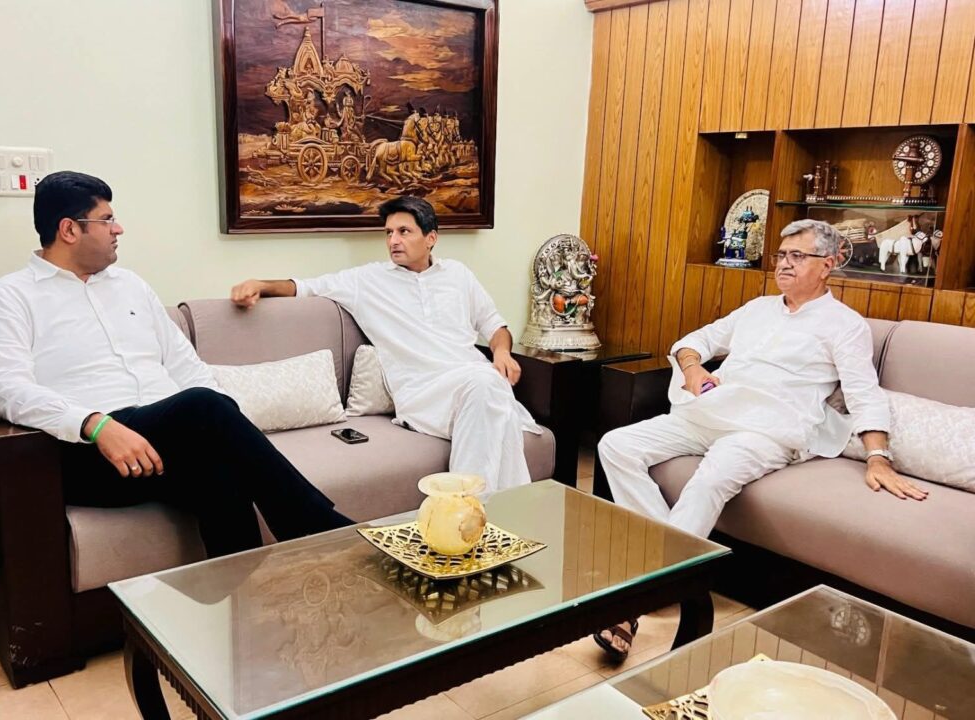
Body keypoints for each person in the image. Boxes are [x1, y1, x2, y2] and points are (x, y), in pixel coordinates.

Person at [593, 218, 927, 660]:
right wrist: (693, 367)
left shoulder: (845, 325)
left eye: (797, 256)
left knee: (710, 479)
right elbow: (693, 341)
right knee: (616, 446)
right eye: (781, 255)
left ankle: (633, 603)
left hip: (770, 429)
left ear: (827, 265)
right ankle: (665, 563)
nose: (784, 264)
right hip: (714, 410)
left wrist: (878, 457)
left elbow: (864, 393)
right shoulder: (757, 308)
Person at [0, 171, 351, 559]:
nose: (118, 229)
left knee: (221, 465)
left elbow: (185, 364)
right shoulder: (8, 298)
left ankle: (241, 587)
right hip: (92, 453)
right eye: (106, 220)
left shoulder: (131, 286)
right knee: (203, 406)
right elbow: (6, 388)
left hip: (166, 442)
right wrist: (96, 424)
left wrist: (227, 425)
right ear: (69, 229)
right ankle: (319, 528)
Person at [230, 195, 540, 493]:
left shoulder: (459, 275)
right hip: (423, 392)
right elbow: (306, 287)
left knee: (489, 386)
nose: (393, 240)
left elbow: (495, 325)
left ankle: (472, 509)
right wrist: (261, 284)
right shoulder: (367, 281)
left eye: (404, 231)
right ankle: (478, 506)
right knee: (492, 394)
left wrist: (502, 352)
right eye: (389, 232)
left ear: (431, 238)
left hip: (473, 379)